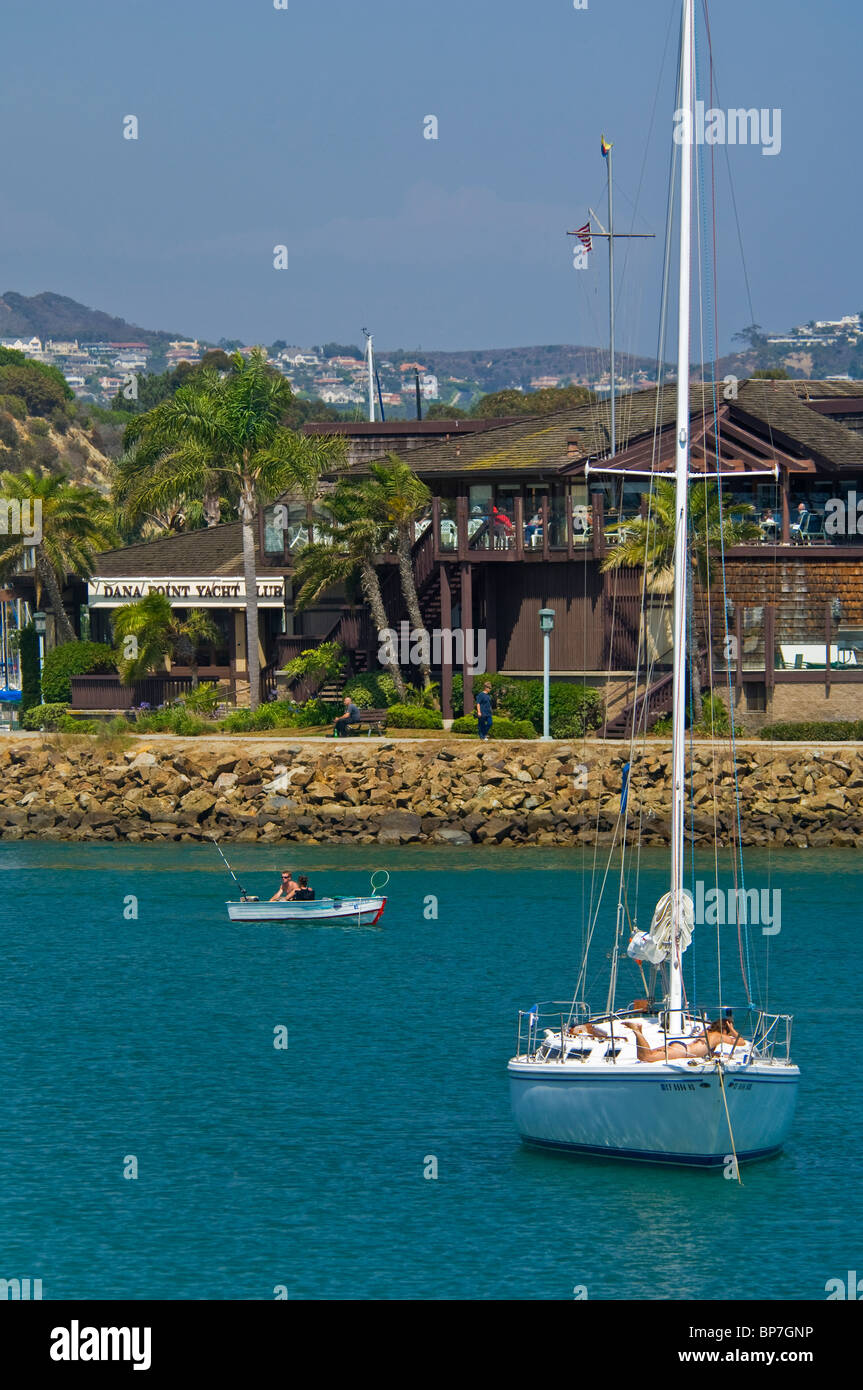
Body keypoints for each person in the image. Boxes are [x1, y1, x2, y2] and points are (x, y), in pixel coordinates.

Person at [623, 1015, 744, 1064]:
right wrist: (731, 1029)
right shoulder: (719, 1036)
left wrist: (713, 1053)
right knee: (646, 1057)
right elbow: (741, 1042)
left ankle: (639, 1031)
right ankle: (637, 1031)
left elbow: (703, 1049)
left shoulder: (707, 1032)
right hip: (682, 1051)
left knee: (646, 1054)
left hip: (681, 1047)